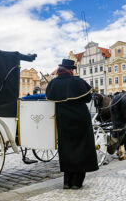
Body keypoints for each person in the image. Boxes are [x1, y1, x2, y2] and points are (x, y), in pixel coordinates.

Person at [46, 59, 98, 189]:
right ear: (70, 70)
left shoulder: (53, 83)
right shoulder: (77, 81)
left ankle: (67, 182)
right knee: (82, 148)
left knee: (66, 148)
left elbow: (51, 98)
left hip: (63, 120)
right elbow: (87, 98)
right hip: (80, 119)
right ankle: (77, 182)